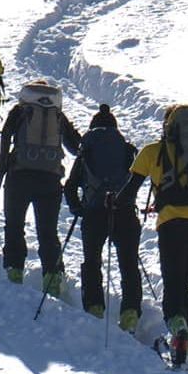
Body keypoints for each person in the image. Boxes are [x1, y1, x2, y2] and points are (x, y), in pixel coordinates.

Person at [118, 104, 188, 367]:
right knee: (184, 279)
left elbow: (129, 191)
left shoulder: (153, 152)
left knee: (172, 278)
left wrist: (114, 202)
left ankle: (178, 330)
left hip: (171, 222)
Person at [0, 80, 82, 295]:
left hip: (19, 177)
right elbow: (75, 146)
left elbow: (6, 134)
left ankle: (14, 270)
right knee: (48, 231)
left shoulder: (21, 110)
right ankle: (52, 278)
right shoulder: (57, 116)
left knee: (14, 225)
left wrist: (2, 163)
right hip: (50, 180)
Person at [64, 104, 143, 331]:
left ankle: (94, 308)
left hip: (94, 213)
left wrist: (79, 208)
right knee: (128, 263)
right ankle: (130, 314)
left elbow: (70, 187)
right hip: (125, 213)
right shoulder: (127, 150)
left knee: (92, 262)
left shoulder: (87, 149)